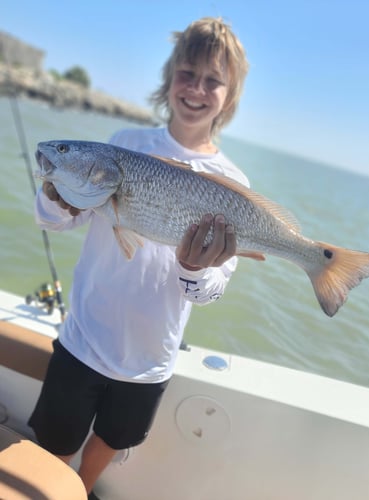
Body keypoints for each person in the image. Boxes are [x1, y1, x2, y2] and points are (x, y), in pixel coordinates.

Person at [29, 16, 252, 497]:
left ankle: (81, 489)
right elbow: (54, 220)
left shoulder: (234, 184)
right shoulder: (125, 145)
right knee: (53, 445)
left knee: (109, 441)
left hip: (151, 358)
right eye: (187, 74)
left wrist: (196, 268)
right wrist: (55, 196)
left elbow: (213, 288)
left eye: (212, 80)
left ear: (229, 95)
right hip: (83, 338)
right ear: (169, 79)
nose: (196, 88)